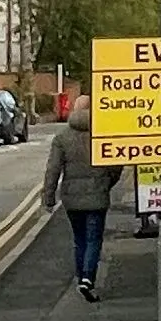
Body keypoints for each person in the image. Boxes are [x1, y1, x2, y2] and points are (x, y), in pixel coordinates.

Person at [41, 86, 119, 296]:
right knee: (94, 238)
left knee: (79, 239)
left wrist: (48, 198)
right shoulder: (103, 134)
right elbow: (115, 165)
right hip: (98, 195)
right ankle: (87, 278)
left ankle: (80, 277)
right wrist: (107, 183)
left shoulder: (62, 138)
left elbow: (53, 170)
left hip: (71, 198)